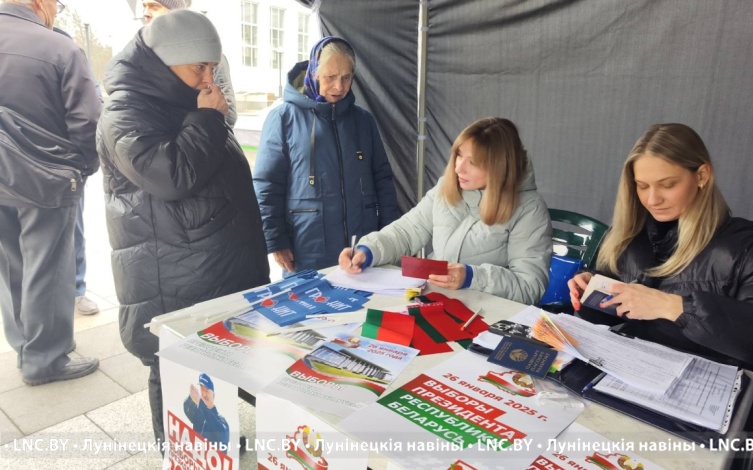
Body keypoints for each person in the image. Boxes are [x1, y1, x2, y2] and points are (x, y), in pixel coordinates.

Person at [97, 10, 270, 447]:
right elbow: (169, 175)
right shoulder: (125, 109)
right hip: (171, 270)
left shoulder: (186, 100)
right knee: (176, 364)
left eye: (213, 67)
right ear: (166, 61)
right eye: (200, 68)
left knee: (214, 357)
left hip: (209, 262)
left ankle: (217, 438)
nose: (209, 77)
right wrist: (210, 120)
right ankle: (181, 449)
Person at [567, 123, 753, 430]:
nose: (653, 199)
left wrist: (674, 307)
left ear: (702, 176)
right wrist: (591, 292)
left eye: (667, 184)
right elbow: (607, 319)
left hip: (712, 410)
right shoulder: (631, 238)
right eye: (642, 186)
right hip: (631, 386)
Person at [339, 117, 552, 305]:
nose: (459, 168)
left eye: (473, 162)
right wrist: (367, 251)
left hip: (489, 318)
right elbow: (406, 231)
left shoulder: (529, 209)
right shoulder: (446, 186)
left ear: (500, 167)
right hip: (435, 303)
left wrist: (472, 276)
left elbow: (529, 286)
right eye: (459, 155)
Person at [0, 0, 101, 385]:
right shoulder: (59, 48)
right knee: (49, 270)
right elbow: (88, 121)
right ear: (40, 2)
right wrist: (81, 168)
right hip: (45, 180)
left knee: (10, 267)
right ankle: (46, 360)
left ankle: (25, 347)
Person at [254, 36, 401, 274]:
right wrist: (276, 241)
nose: (339, 87)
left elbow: (382, 179)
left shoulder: (363, 121)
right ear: (313, 73)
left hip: (361, 249)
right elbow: (266, 184)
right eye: (330, 77)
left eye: (346, 77)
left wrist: (388, 236)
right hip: (306, 250)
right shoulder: (283, 118)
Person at [52, 26, 101, 317]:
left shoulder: (66, 46)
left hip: (65, 164)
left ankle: (76, 289)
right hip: (25, 165)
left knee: (74, 229)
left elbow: (91, 105)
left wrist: (83, 163)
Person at [140, 0, 237, 128]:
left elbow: (227, 114)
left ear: (175, 14)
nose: (146, 13)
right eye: (145, 6)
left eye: (155, 7)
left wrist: (207, 115)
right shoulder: (141, 60)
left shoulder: (209, 56)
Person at [184, 373, 230, 449]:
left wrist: (199, 402)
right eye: (202, 390)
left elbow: (219, 430)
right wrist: (191, 396)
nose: (204, 394)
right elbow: (187, 408)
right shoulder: (199, 415)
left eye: (207, 391)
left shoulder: (221, 421)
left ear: (213, 395)